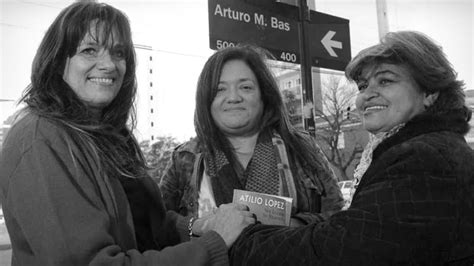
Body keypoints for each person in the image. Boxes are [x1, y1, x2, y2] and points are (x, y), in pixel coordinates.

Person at [0, 2, 254, 265]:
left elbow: (145, 224)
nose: (109, 64)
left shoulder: (112, 137)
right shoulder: (40, 139)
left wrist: (198, 227)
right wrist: (214, 244)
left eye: (118, 53)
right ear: (56, 60)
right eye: (89, 50)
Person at [228, 31, 474, 265]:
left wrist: (237, 239)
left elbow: (340, 251)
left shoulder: (422, 157)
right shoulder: (423, 147)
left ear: (429, 92)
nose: (367, 95)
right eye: (363, 86)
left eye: (386, 80)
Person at [159, 45, 343, 239]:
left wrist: (294, 225)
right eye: (219, 89)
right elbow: (158, 223)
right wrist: (198, 226)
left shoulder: (303, 149)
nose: (233, 98)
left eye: (245, 87)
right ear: (206, 100)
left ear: (265, 95)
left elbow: (338, 219)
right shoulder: (185, 158)